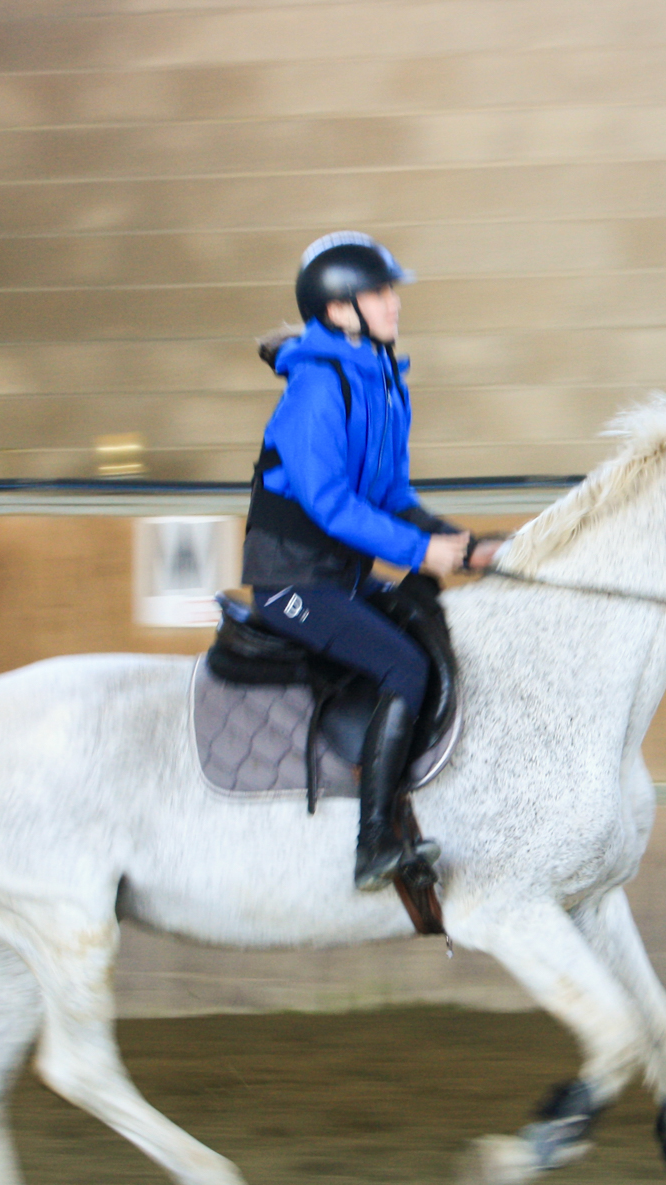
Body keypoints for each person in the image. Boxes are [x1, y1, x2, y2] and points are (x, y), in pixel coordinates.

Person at [241, 232, 497, 891]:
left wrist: (462, 544)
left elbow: (389, 498)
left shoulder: (382, 382)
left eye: (391, 291)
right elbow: (328, 504)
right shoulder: (318, 391)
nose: (394, 303)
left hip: (344, 579)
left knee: (429, 620)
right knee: (403, 667)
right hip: (292, 584)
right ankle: (374, 844)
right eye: (379, 293)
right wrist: (421, 551)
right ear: (338, 311)